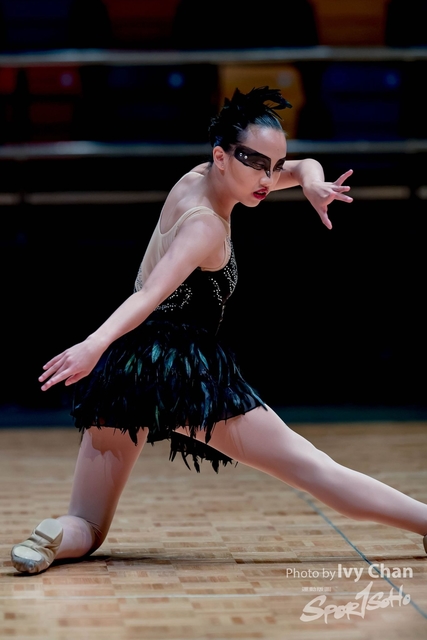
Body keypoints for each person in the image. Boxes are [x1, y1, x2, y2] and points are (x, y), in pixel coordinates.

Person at [11, 86, 427, 575]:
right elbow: (150, 295)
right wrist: (92, 344)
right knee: (313, 467)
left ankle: (53, 536)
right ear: (221, 156)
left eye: (275, 166)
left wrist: (312, 183)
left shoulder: (197, 178)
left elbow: (302, 166)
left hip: (127, 370)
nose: (268, 179)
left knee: (88, 522)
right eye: (257, 164)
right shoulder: (204, 225)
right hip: (182, 370)